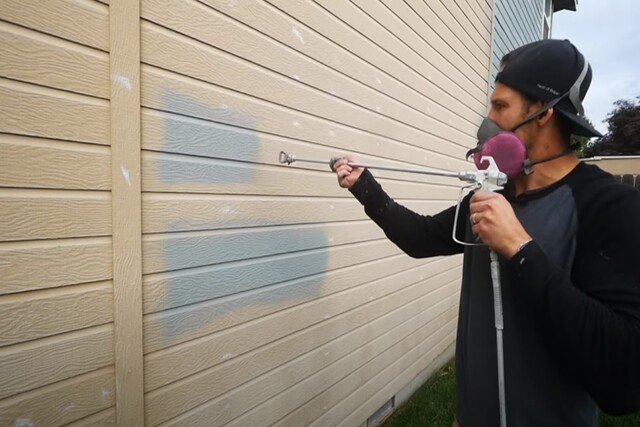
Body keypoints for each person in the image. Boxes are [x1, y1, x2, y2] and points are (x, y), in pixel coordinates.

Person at [331, 39, 640, 426]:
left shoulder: (608, 205)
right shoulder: (492, 197)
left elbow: (624, 376)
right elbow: (420, 238)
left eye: (500, 106)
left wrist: (519, 248)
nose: (487, 120)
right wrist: (365, 187)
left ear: (543, 113)